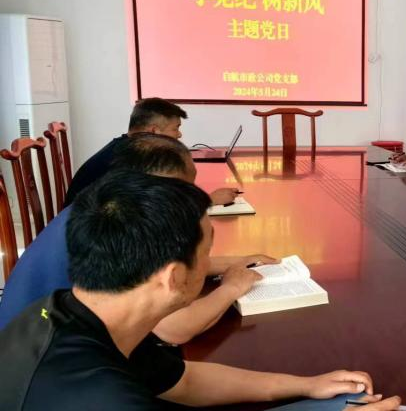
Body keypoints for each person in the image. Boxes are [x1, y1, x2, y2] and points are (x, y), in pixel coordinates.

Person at [0, 171, 404, 411]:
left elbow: (185, 381)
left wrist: (307, 385)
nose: (214, 262)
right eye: (207, 252)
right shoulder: (96, 403)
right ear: (173, 277)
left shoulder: (75, 314)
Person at [0, 134, 274, 342]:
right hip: (39, 353)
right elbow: (175, 330)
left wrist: (237, 262)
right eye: (186, 187)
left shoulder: (109, 204)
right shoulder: (123, 226)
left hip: (36, 335)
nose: (190, 197)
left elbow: (162, 268)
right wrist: (231, 288)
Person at [64, 97, 239, 206]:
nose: (179, 135)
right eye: (176, 128)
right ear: (154, 131)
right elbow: (152, 209)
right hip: (84, 241)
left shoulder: (128, 148)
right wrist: (208, 201)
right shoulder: (127, 159)